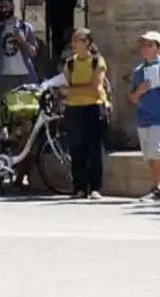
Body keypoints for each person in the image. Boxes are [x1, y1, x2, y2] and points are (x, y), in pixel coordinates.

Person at [63, 28, 108, 200]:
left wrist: (73, 89)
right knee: (76, 149)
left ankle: (95, 187)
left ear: (87, 43)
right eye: (73, 40)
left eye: (78, 40)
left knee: (94, 149)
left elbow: (96, 89)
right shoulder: (70, 63)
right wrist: (77, 90)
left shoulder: (97, 61)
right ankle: (79, 187)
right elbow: (63, 88)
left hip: (93, 108)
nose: (73, 44)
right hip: (73, 109)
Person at [0, 0, 39, 95]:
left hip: (25, 77)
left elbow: (33, 53)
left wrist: (23, 41)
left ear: (12, 6)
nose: (4, 10)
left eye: (6, 6)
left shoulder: (26, 28)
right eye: (1, 7)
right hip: (2, 78)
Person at [131, 31, 160, 202]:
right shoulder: (138, 71)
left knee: (157, 154)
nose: (144, 48)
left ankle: (157, 188)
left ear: (158, 48)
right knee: (150, 156)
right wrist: (140, 91)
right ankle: (156, 187)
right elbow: (132, 98)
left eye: (149, 45)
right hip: (144, 118)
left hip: (159, 118)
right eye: (142, 45)